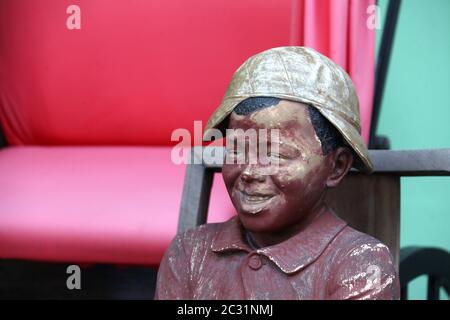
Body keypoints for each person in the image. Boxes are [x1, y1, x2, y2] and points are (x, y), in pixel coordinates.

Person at [155, 47, 399, 300]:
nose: (249, 172)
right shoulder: (190, 253)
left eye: (275, 155)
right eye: (236, 151)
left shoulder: (361, 267)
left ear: (336, 166)